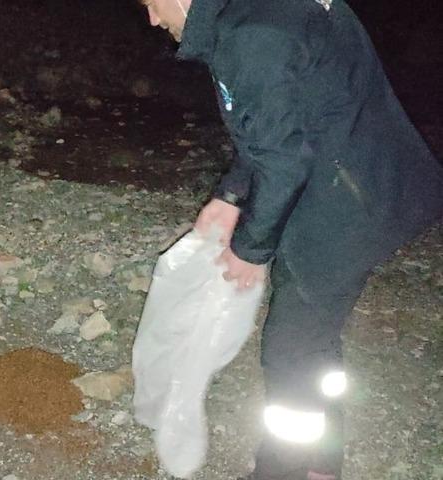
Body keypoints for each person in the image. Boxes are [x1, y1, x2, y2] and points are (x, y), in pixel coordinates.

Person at [139, 0, 443, 478]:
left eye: (152, 4)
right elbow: (278, 125)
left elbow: (283, 160)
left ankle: (281, 471)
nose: (154, 20)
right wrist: (231, 194)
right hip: (371, 184)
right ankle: (322, 464)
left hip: (348, 204)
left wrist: (250, 249)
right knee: (314, 340)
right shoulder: (260, 14)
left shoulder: (252, 35)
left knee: (289, 349)